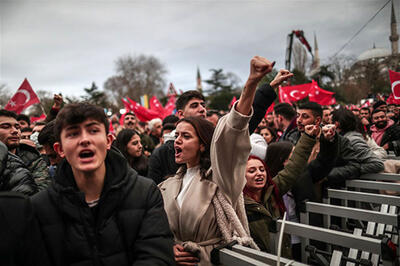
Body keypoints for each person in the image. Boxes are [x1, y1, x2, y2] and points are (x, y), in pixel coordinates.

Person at [159, 56, 277, 265]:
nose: (177, 140)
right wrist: (169, 247)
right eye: (176, 135)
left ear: (203, 144)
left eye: (186, 136)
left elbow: (232, 131)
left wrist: (251, 84)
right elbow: (154, 226)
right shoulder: (168, 185)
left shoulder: (221, 178)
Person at [32, 103, 174, 265]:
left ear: (108, 141)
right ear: (60, 149)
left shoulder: (145, 193)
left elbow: (157, 257)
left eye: (93, 131)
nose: (84, 140)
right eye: (73, 134)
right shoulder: (39, 207)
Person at [244, 124, 338, 258]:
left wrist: (308, 137)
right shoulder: (238, 202)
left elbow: (294, 166)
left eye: (262, 169)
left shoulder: (272, 189)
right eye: (252, 171)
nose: (259, 174)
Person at [0, 110, 49, 191]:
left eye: (17, 127)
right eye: (6, 127)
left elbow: (42, 192)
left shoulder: (32, 158)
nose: (15, 131)